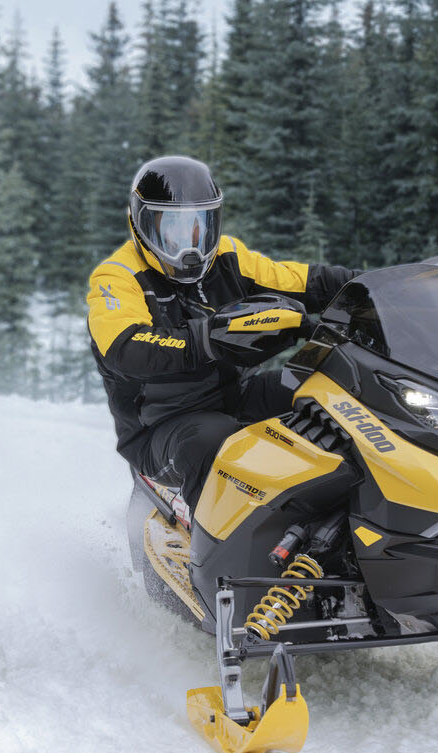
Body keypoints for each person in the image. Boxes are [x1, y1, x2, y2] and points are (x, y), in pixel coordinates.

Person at [86, 155, 355, 505]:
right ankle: (212, 537)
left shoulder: (229, 257)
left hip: (235, 395)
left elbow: (304, 281)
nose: (189, 244)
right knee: (217, 441)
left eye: (199, 225)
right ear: (142, 225)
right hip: (161, 425)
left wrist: (372, 286)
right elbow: (127, 348)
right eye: (172, 228)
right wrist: (207, 340)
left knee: (328, 390)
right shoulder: (117, 277)